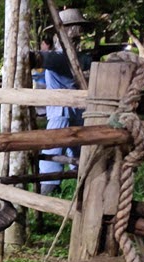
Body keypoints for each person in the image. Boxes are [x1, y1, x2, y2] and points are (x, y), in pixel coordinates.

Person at [32, 9, 91, 196]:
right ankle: (83, 189)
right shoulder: (80, 58)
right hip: (79, 112)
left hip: (61, 112)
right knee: (79, 153)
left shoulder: (61, 57)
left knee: (52, 153)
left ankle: (46, 193)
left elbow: (40, 58)